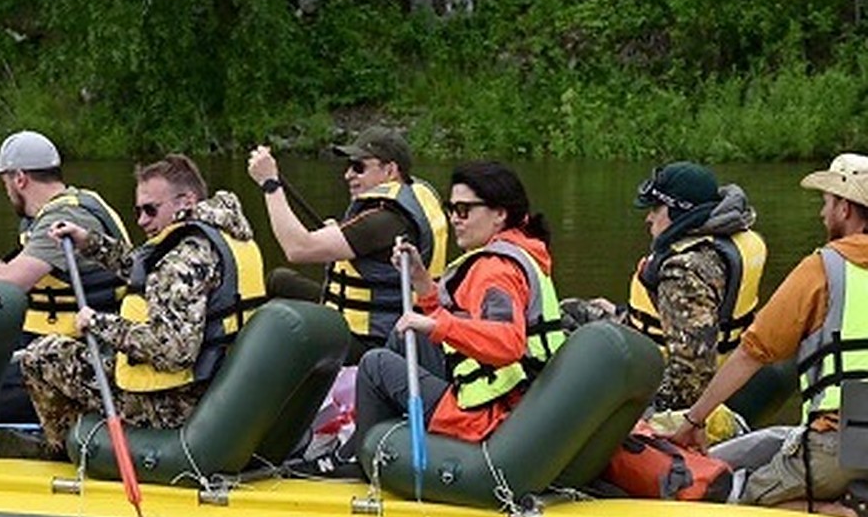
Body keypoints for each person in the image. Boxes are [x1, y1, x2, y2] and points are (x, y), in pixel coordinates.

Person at [17, 153, 263, 456]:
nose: (142, 221)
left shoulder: (182, 260)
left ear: (186, 201)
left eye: (150, 210)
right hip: (217, 389)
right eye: (138, 211)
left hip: (173, 404)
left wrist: (98, 323)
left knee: (42, 356)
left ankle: (69, 455)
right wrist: (90, 242)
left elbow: (173, 350)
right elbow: (148, 270)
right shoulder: (224, 234)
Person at [670, 152, 868, 517]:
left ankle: (839, 512)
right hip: (854, 445)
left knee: (735, 498)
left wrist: (694, 421)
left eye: (826, 203)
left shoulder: (823, 269)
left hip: (837, 447)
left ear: (845, 208)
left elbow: (751, 353)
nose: (822, 214)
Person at [353, 160, 562, 461]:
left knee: (375, 364)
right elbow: (465, 320)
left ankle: (367, 463)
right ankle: (379, 442)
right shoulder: (518, 251)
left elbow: (508, 342)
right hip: (506, 399)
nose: (455, 219)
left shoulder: (495, 270)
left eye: (464, 210)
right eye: (452, 210)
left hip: (490, 416)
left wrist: (434, 325)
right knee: (404, 340)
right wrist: (422, 281)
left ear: (500, 214)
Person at [0, 130, 130, 422]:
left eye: (4, 181)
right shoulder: (68, 205)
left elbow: (12, 280)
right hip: (44, 338)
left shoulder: (63, 221)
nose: (5, 190)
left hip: (76, 348)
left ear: (20, 179)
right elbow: (13, 267)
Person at [561, 161, 765, 413]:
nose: (648, 218)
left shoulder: (684, 270)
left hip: (663, 379)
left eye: (656, 209)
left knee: (563, 343)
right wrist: (623, 312)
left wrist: (643, 409)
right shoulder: (731, 240)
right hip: (706, 354)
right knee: (568, 313)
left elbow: (692, 373)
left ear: (680, 212)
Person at [247, 126, 448, 360]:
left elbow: (298, 248)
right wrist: (338, 232)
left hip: (373, 341)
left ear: (390, 170)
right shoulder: (408, 199)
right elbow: (369, 246)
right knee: (279, 280)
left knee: (280, 323)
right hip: (363, 319)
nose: (348, 175)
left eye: (359, 167)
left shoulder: (386, 220)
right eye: (348, 166)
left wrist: (270, 185)